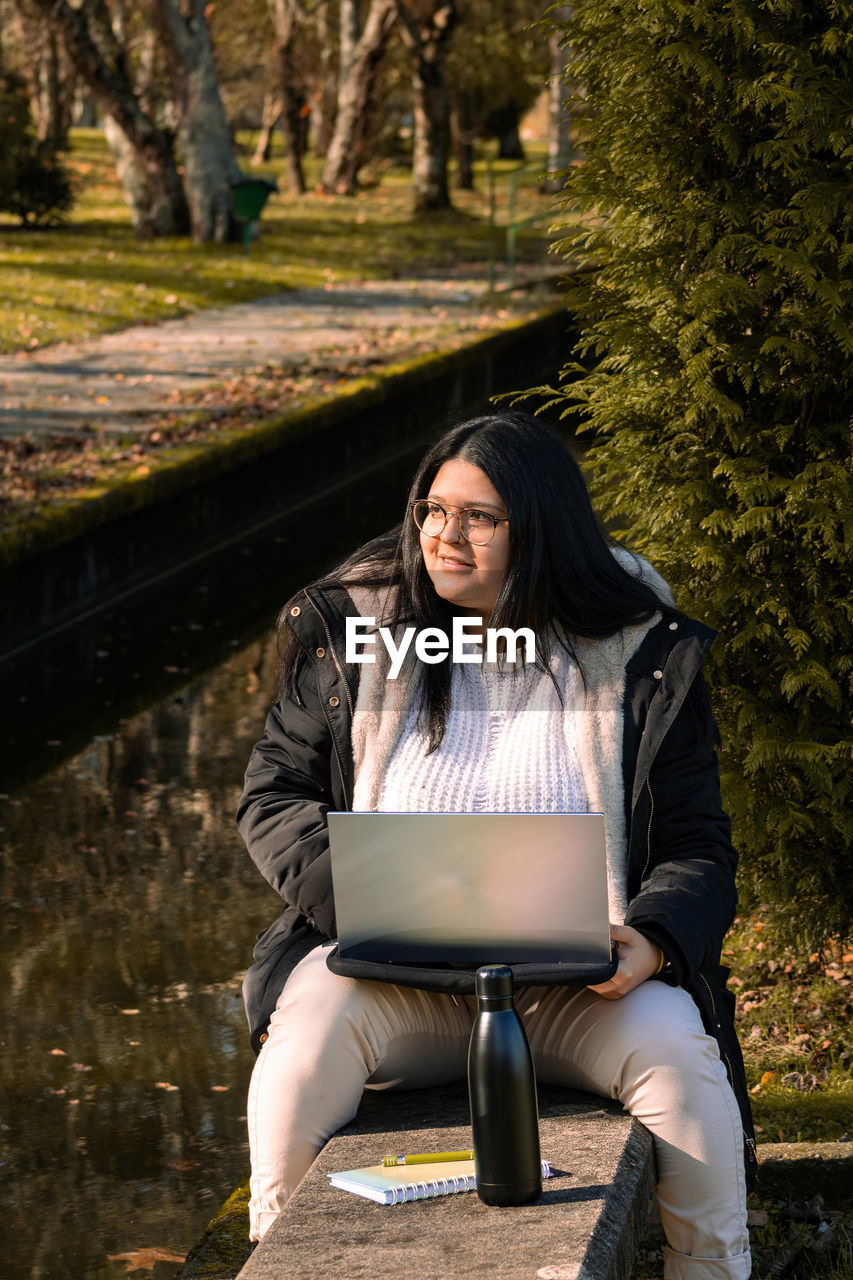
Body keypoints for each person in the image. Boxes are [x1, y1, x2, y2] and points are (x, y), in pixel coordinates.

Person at [237, 411, 756, 1279]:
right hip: (388, 976)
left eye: (480, 518)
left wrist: (656, 939)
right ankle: (278, 1259)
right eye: (432, 511)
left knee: (681, 1064)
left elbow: (698, 844)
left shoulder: (640, 654)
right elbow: (272, 796)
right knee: (300, 1048)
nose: (445, 536)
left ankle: (712, 1270)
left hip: (575, 987)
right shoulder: (356, 633)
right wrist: (364, 901)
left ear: (541, 528)